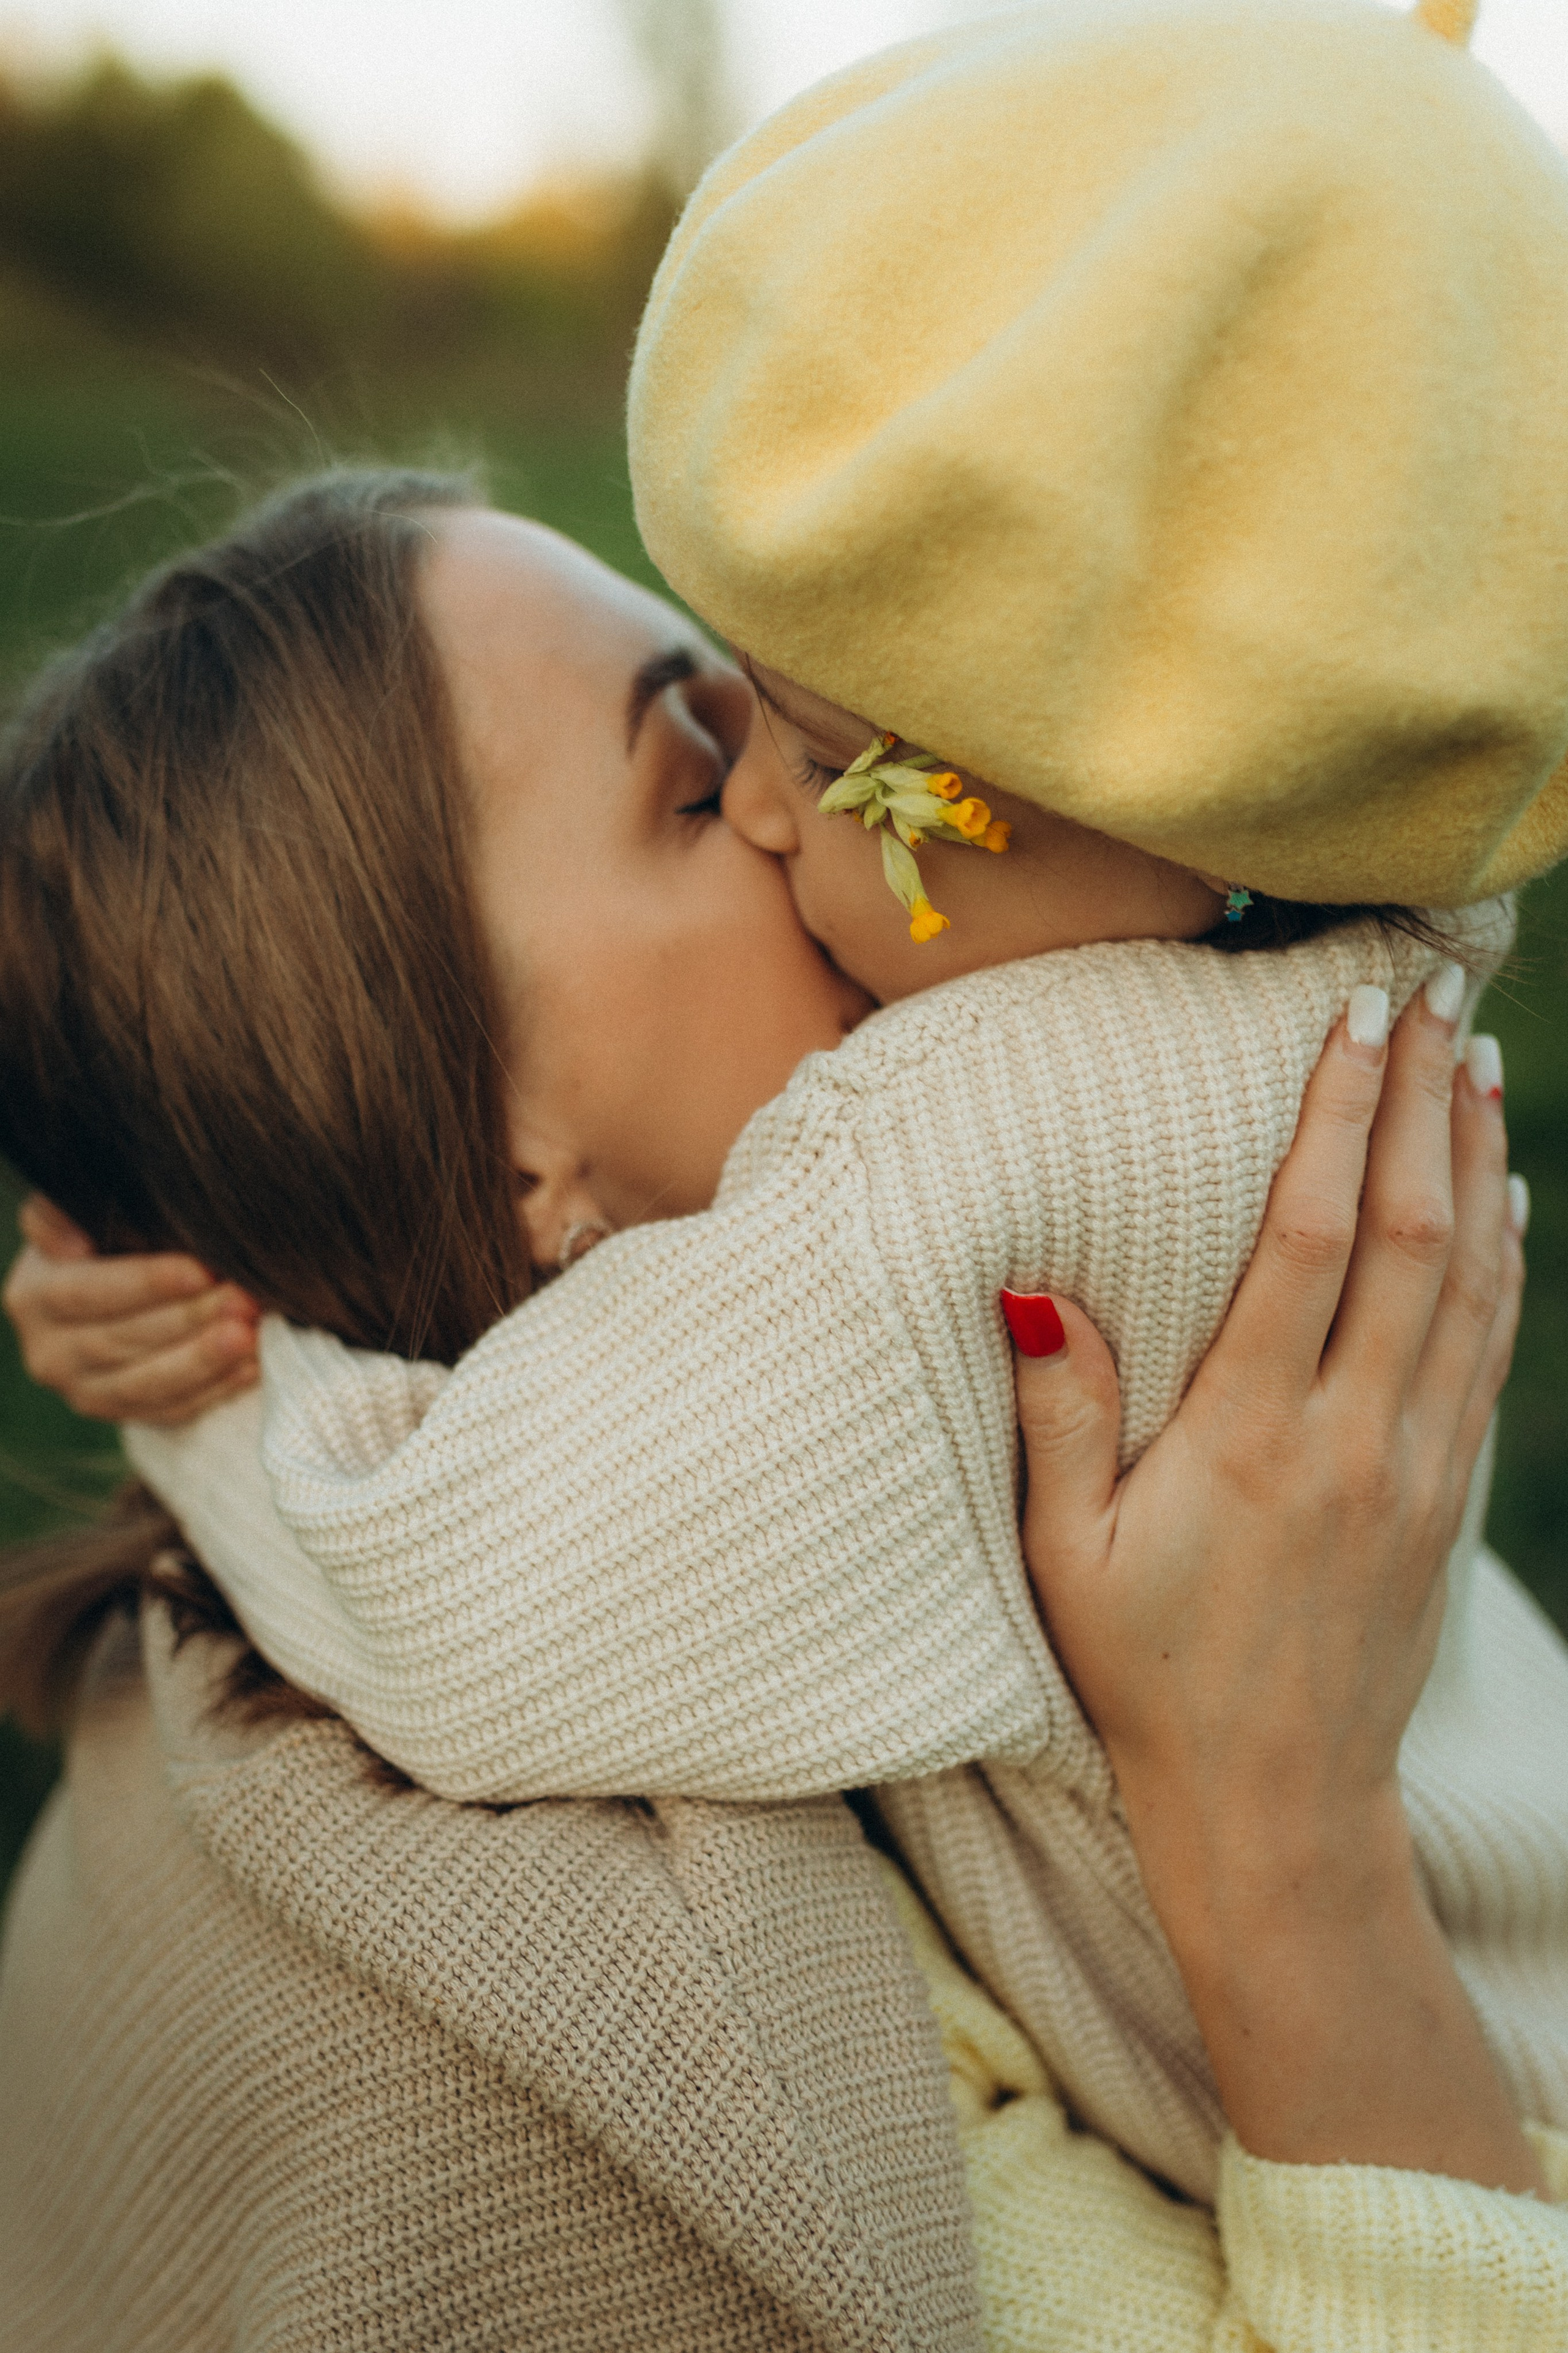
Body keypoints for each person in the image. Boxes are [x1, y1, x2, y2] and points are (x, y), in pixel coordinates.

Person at [51, 0, 1568, 2221]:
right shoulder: (1348, 934)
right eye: (705, 762)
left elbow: (441, 1597)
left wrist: (225, 1394)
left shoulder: (932, 1189)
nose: (780, 809)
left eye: (808, 737)